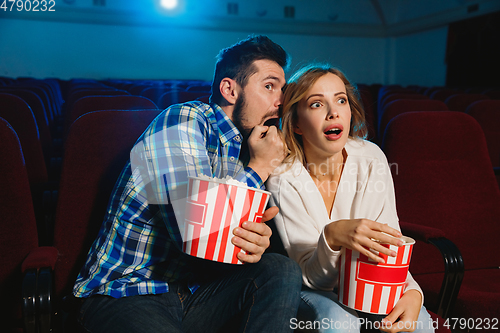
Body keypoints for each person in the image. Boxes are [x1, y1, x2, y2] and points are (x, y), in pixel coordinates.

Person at [73, 35, 302, 333]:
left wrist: (254, 244)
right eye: (269, 86)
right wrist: (259, 169)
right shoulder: (182, 120)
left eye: (283, 89)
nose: (280, 100)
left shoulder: (251, 147)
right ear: (229, 90)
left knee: (279, 269)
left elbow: (231, 247)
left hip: (196, 294)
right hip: (128, 291)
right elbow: (197, 229)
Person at [266, 64, 434, 333]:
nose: (334, 112)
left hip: (367, 280)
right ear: (296, 123)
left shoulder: (372, 158)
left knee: (420, 325)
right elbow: (312, 278)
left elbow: (389, 244)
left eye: (341, 100)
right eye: (317, 104)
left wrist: (413, 292)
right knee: (339, 323)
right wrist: (332, 238)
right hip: (311, 288)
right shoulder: (282, 176)